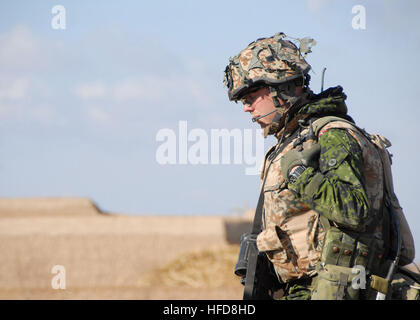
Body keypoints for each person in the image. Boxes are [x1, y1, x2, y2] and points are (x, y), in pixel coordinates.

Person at [224, 32, 418, 300]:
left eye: (250, 97)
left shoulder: (332, 134)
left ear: (279, 87)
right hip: (299, 290)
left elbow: (355, 209)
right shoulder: (291, 143)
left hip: (329, 289)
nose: (246, 109)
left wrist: (302, 177)